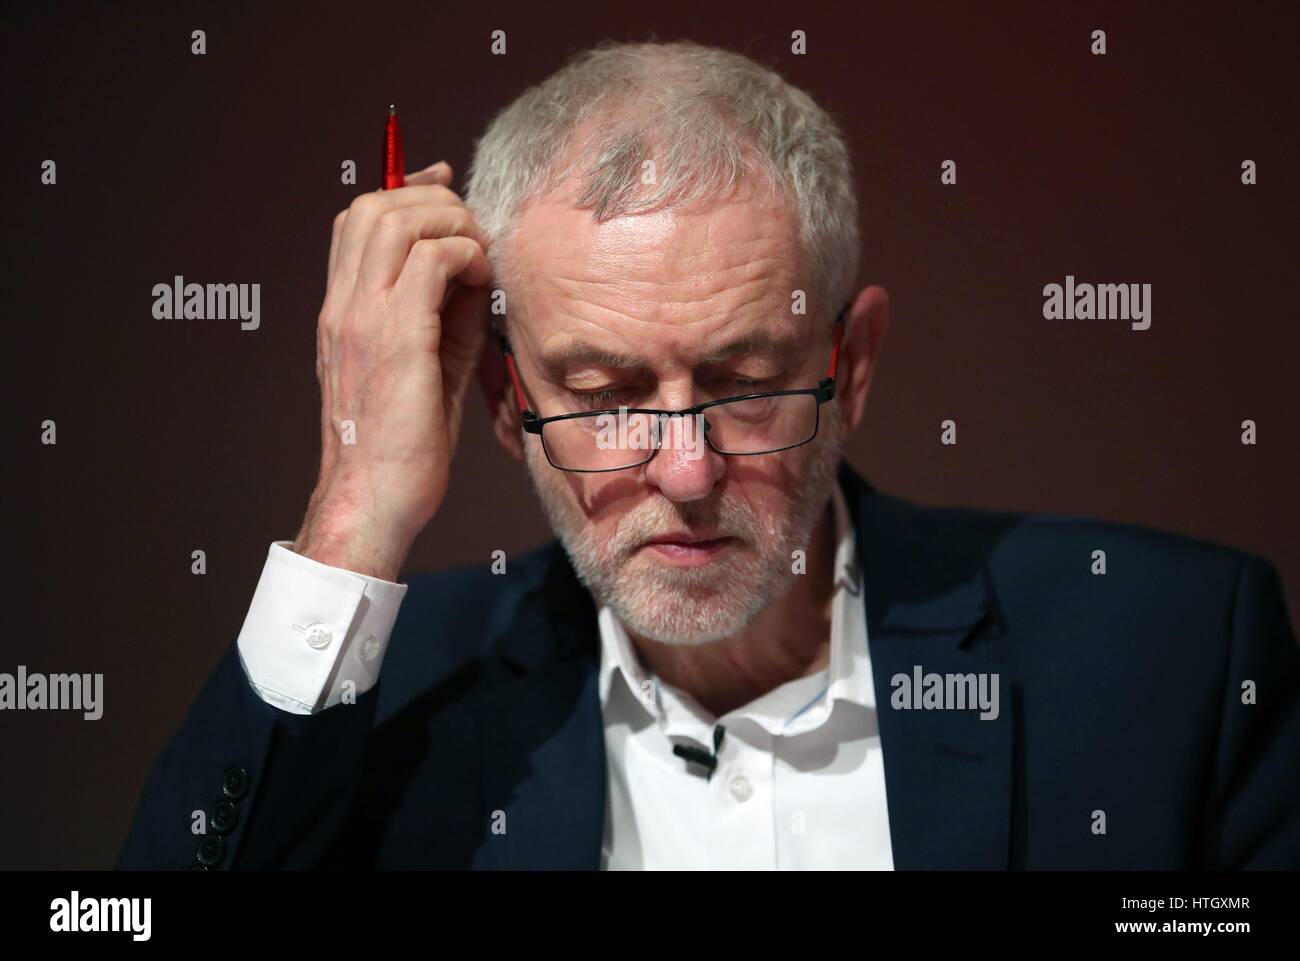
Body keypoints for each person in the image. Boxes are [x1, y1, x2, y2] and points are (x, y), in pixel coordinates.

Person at [118, 40, 1300, 870]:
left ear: (856, 364)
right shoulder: (378, 698)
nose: (684, 470)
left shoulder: (1175, 652)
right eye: (601, 393)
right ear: (502, 393)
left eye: (746, 385)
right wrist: (350, 510)